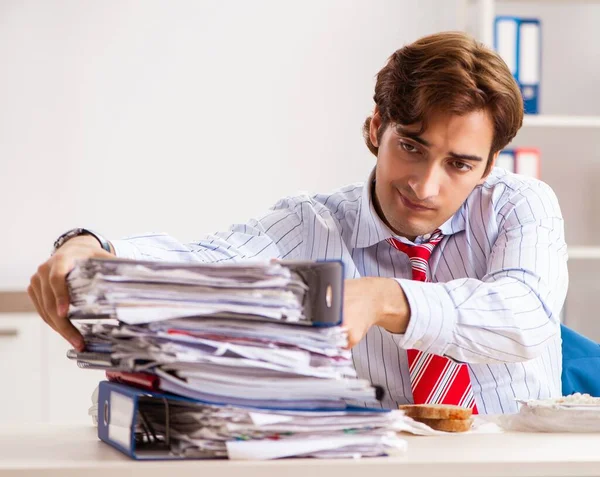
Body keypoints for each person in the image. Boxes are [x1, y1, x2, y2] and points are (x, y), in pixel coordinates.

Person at [28, 31, 568, 414]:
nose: (426, 185)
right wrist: (88, 247)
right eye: (410, 146)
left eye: (460, 164)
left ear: (490, 165)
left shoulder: (521, 205)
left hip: (521, 461)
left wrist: (387, 297)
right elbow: (209, 260)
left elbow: (528, 315)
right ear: (377, 127)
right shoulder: (314, 224)